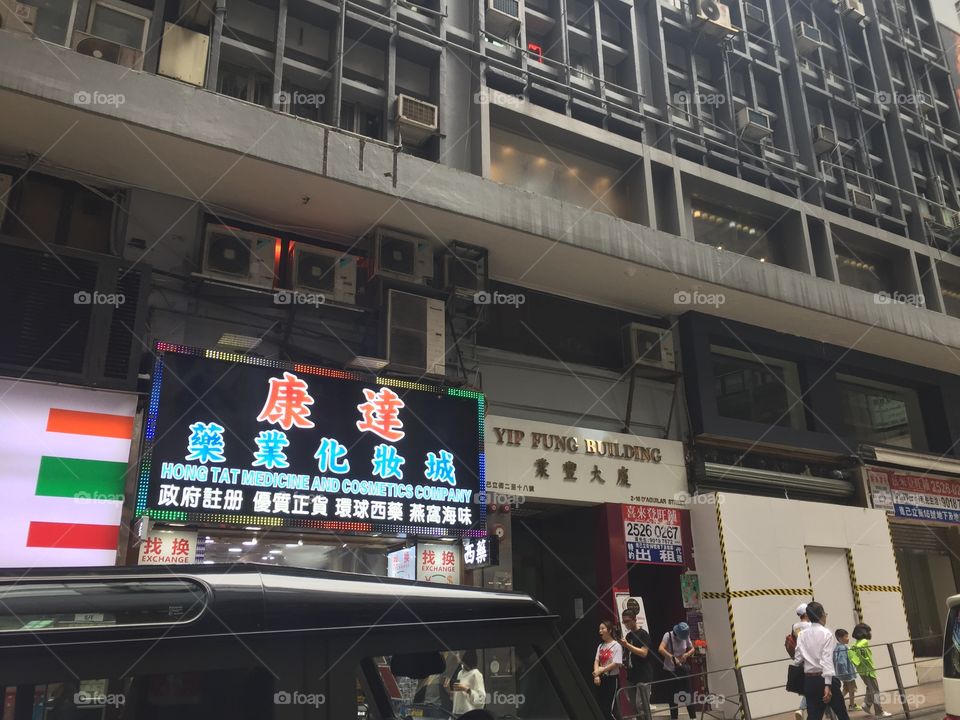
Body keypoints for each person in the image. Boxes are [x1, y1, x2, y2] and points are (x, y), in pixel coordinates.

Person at [791, 601, 851, 720]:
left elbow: (797, 660)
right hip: (826, 680)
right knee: (842, 713)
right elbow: (827, 660)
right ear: (822, 615)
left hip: (810, 680)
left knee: (813, 716)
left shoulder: (802, 635)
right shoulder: (826, 633)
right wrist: (827, 686)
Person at [850, 623, 891, 718]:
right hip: (868, 671)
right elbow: (865, 657)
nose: (870, 633)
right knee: (875, 691)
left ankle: (866, 704)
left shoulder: (855, 644)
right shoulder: (864, 642)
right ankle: (879, 712)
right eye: (868, 631)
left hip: (861, 671)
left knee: (870, 687)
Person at [620, 609, 655, 716]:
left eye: (627, 621)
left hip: (643, 674)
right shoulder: (628, 636)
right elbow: (627, 654)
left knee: (641, 705)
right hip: (631, 675)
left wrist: (627, 645)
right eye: (624, 622)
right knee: (634, 706)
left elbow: (644, 653)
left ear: (634, 619)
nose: (625, 624)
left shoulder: (643, 634)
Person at [659, 622, 697, 720]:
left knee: (688, 693)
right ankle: (674, 718)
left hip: (682, 669)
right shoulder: (668, 635)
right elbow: (661, 649)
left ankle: (693, 717)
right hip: (670, 670)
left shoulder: (686, 636)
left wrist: (686, 654)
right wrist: (671, 657)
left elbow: (692, 648)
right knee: (672, 696)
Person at [593, 619, 623, 719]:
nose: (600, 631)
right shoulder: (600, 646)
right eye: (599, 629)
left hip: (612, 679)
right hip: (601, 679)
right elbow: (596, 661)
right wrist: (597, 675)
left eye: (602, 628)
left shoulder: (616, 645)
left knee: (609, 709)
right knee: (601, 707)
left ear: (609, 630)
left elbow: (617, 663)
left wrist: (602, 670)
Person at [443, 650, 486, 718]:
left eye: (458, 654)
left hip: (468, 715)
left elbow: (481, 699)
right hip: (456, 714)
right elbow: (458, 698)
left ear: (465, 656)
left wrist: (466, 689)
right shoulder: (460, 673)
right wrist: (449, 690)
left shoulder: (476, 674)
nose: (456, 655)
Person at [793, 604, 812, 720]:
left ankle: (803, 710)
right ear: (806, 614)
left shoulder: (795, 626)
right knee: (817, 685)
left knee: (809, 686)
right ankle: (801, 708)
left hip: (800, 659)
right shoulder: (810, 625)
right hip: (812, 659)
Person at [834, 629, 859, 711]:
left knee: (846, 689)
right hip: (848, 673)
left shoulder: (837, 647)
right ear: (840, 638)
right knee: (852, 689)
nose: (848, 638)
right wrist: (845, 672)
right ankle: (852, 705)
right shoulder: (843, 648)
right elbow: (841, 662)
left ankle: (835, 701)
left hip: (843, 673)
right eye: (846, 636)